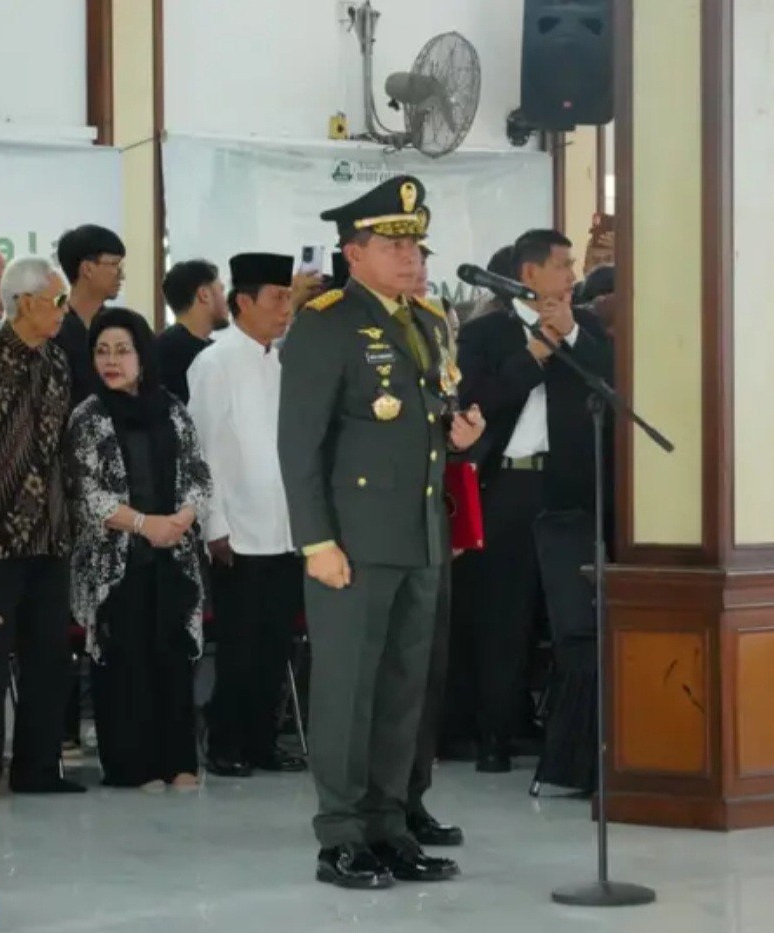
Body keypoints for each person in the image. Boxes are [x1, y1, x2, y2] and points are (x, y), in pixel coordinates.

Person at [278, 175, 485, 890]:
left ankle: (389, 824)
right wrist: (316, 541)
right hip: (354, 542)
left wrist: (460, 436)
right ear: (353, 252)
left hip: (420, 535)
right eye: (393, 245)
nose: (410, 257)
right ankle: (341, 835)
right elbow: (299, 444)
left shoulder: (425, 320)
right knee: (348, 691)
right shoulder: (327, 322)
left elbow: (423, 423)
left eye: (415, 245)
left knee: (404, 691)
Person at [456, 228, 613, 773]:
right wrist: (534, 355)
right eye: (563, 265)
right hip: (509, 487)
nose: (573, 275)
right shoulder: (486, 333)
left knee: (570, 614)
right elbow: (477, 402)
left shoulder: (586, 326)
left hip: (569, 488)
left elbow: (612, 380)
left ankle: (569, 741)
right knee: (505, 613)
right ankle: (495, 735)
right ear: (529, 274)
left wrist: (570, 335)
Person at [0, 256, 84, 800]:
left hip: (49, 535)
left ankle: (38, 769)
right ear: (26, 302)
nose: (64, 311)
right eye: (58, 300)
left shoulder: (57, 362)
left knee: (49, 656)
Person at [65, 307, 210, 790]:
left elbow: (198, 473)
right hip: (115, 560)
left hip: (172, 553)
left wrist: (182, 518)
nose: (111, 361)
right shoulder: (88, 417)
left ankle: (179, 761)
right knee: (126, 660)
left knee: (172, 656)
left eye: (122, 351)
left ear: (142, 356)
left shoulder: (172, 409)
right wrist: (147, 525)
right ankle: (132, 766)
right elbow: (87, 494)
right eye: (102, 352)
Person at [187, 253, 307, 777]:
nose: (286, 309)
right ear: (243, 301)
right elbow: (203, 450)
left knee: (275, 643)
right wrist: (214, 526)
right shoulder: (215, 363)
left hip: (284, 528)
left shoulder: (280, 361)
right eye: (277, 298)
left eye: (289, 298)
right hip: (237, 530)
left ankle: (262, 740)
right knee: (240, 644)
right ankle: (226, 742)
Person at [401, 240, 463, 848]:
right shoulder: (341, 328)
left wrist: (460, 432)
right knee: (386, 677)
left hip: (430, 520)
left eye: (422, 259)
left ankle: (412, 797)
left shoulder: (434, 326)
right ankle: (374, 807)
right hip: (374, 525)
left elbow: (440, 413)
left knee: (428, 670)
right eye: (403, 255)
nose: (416, 270)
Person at [55, 224, 127, 405]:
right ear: (87, 269)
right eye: (114, 265)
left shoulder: (122, 325)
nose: (121, 275)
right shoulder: (52, 327)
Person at [157, 259, 229, 403]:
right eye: (221, 290)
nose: (226, 301)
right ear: (204, 294)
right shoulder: (171, 351)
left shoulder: (159, 346)